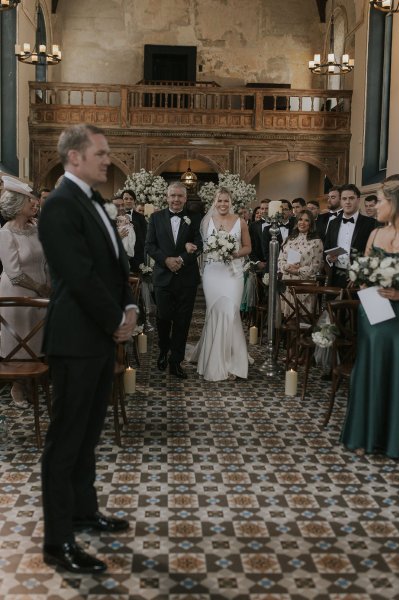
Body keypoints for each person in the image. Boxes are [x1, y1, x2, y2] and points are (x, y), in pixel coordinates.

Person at [38, 124, 138, 574]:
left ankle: (84, 509)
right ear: (75, 157)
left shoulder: (95, 200)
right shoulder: (60, 205)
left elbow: (117, 265)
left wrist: (131, 305)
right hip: (76, 339)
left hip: (97, 337)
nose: (107, 159)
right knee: (65, 442)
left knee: (88, 434)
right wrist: (117, 319)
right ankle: (58, 542)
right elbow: (78, 276)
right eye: (101, 153)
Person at [341, 178, 399, 458]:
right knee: (369, 369)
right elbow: (364, 269)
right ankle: (364, 435)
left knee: (394, 371)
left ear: (395, 203)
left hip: (398, 315)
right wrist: (364, 283)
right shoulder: (375, 235)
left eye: (381, 201)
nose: (375, 206)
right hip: (374, 312)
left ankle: (392, 439)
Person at [188, 187, 251, 381]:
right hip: (213, 272)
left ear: (231, 202)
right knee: (215, 312)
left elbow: (248, 247)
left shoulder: (240, 222)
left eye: (226, 201)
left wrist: (234, 253)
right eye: (220, 201)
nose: (223, 204)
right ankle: (212, 359)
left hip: (233, 273)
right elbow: (202, 247)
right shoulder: (206, 221)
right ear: (214, 202)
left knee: (231, 313)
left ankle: (234, 363)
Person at [0, 176, 51, 408]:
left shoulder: (36, 227)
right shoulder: (6, 233)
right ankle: (17, 387)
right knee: (19, 340)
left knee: (37, 339)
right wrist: (39, 287)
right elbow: (14, 273)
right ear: (18, 204)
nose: (35, 203)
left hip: (42, 293)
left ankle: (33, 381)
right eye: (30, 200)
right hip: (17, 296)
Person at [145, 181, 202, 379]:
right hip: (163, 276)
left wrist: (181, 259)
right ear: (167, 197)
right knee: (163, 317)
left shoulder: (195, 219)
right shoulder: (155, 217)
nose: (176, 199)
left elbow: (199, 244)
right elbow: (150, 246)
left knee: (182, 321)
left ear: (185, 199)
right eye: (172, 196)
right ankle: (163, 348)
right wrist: (166, 260)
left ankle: (175, 361)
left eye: (180, 196)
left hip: (187, 278)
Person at [324, 184, 376, 288]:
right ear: (341, 201)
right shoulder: (333, 223)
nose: (347, 202)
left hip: (359, 279)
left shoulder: (371, 223)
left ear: (358, 200)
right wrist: (329, 258)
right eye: (344, 199)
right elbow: (326, 248)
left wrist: (360, 274)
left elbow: (374, 254)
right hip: (336, 276)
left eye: (351, 198)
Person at [277, 209, 323, 317]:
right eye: (300, 219)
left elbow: (316, 266)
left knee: (304, 319)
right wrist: (286, 267)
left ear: (311, 223)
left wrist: (298, 270)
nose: (302, 223)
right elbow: (280, 259)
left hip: (305, 284)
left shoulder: (316, 242)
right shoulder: (288, 239)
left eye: (306, 220)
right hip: (288, 283)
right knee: (288, 318)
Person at [122, 188, 148, 272]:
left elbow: (144, 238)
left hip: (136, 258)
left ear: (134, 201)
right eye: (126, 199)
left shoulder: (140, 217)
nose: (129, 201)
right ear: (122, 200)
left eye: (131, 199)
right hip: (119, 256)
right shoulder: (115, 215)